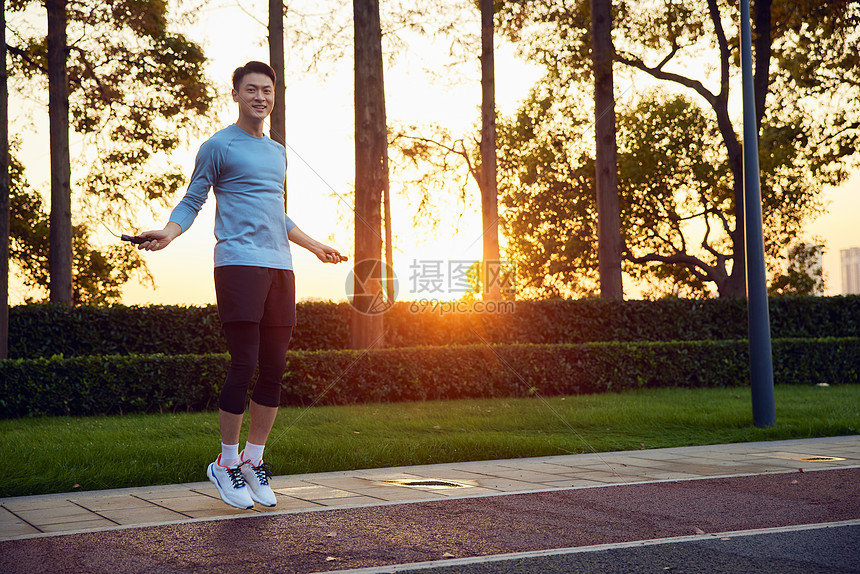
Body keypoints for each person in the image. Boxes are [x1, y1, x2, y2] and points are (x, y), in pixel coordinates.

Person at [137, 61, 346, 510]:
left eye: (267, 91)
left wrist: (313, 246)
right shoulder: (218, 146)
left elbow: (276, 211)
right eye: (251, 90)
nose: (260, 97)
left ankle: (254, 460)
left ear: (274, 96)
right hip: (237, 264)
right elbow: (194, 197)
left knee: (273, 368)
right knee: (244, 363)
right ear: (235, 94)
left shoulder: (277, 152)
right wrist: (169, 233)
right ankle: (225, 462)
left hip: (280, 267)